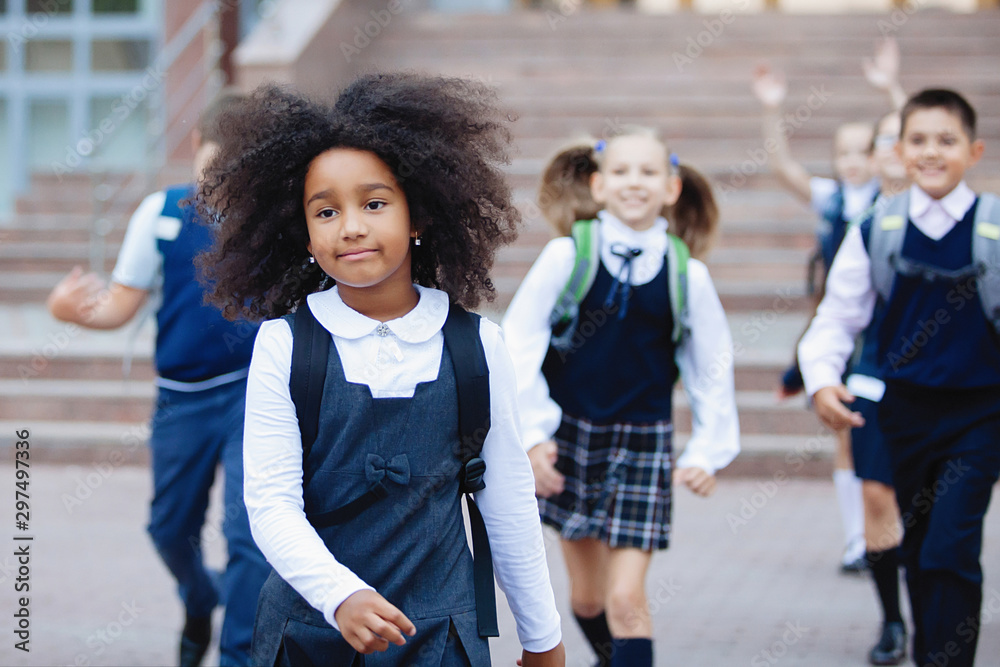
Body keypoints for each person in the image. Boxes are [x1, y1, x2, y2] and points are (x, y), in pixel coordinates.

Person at [195, 74, 565, 667]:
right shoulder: (285, 345)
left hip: (443, 637)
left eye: (374, 203)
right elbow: (269, 504)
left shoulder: (477, 344)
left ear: (417, 216)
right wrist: (339, 595)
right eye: (326, 211)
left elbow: (508, 500)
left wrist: (542, 636)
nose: (351, 226)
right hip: (309, 635)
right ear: (304, 234)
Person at [46, 93, 270, 666]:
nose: (221, 184)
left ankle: (238, 655)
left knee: (250, 535)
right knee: (168, 529)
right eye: (214, 167)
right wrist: (69, 312)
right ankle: (200, 597)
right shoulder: (162, 213)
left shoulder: (271, 218)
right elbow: (118, 307)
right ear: (195, 146)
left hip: (251, 394)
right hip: (181, 400)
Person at [502, 126, 739, 667]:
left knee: (625, 599)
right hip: (571, 439)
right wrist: (534, 436)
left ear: (671, 188)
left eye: (649, 172)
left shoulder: (687, 274)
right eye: (622, 171)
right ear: (599, 185)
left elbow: (712, 366)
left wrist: (708, 450)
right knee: (587, 600)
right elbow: (518, 343)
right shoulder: (567, 256)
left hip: (643, 442)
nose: (635, 182)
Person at [798, 88, 998, 667]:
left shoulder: (993, 227)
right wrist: (822, 379)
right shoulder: (877, 227)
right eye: (918, 140)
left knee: (950, 548)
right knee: (919, 546)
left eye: (946, 140)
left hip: (980, 417)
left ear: (974, 150)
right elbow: (838, 315)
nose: (931, 152)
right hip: (903, 416)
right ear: (900, 150)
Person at [752, 39, 904, 575]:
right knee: (848, 434)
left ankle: (890, 532)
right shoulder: (834, 198)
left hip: (888, 324)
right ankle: (858, 540)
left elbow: (910, 134)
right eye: (843, 153)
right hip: (845, 327)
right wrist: (772, 109)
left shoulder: (894, 196)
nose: (853, 161)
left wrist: (891, 89)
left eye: (863, 150)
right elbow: (781, 166)